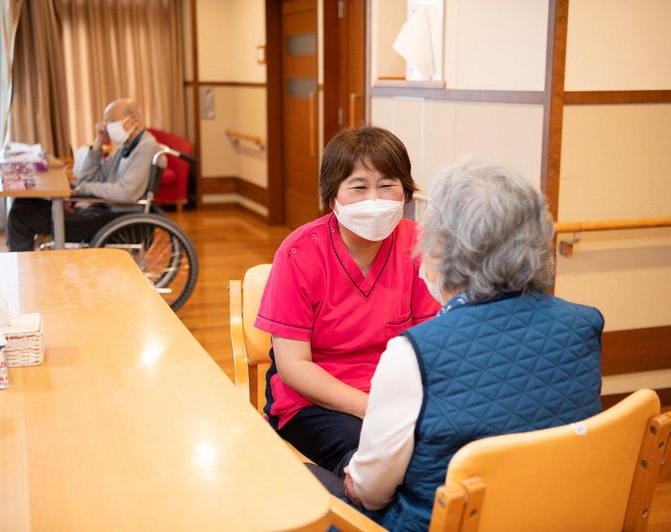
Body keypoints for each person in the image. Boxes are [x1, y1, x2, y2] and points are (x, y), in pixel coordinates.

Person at [339, 160, 604, 530]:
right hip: (561, 518)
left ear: (445, 247)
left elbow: (370, 493)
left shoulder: (414, 353)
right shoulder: (583, 324)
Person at [254, 126, 441, 474]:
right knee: (381, 464)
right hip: (314, 401)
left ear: (406, 192)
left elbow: (431, 344)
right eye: (358, 187)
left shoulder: (420, 244)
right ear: (332, 197)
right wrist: (370, 407)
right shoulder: (299, 252)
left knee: (448, 449)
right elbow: (294, 366)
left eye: (387, 186)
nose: (375, 199)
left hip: (398, 393)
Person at [7, 98, 161, 251]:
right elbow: (88, 179)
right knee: (23, 201)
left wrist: (82, 189)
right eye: (105, 122)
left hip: (114, 220)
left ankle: (23, 269)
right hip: (98, 210)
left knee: (21, 216)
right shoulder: (124, 148)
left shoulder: (146, 148)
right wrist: (98, 143)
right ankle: (24, 263)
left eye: (111, 121)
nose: (106, 127)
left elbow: (126, 192)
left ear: (134, 120)